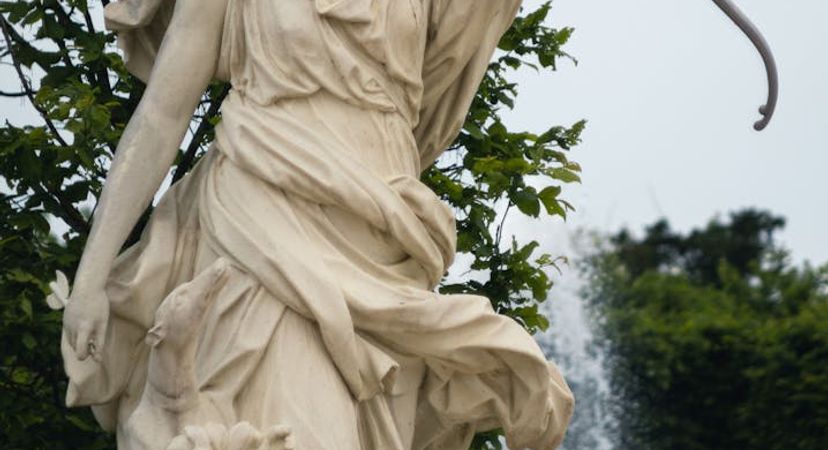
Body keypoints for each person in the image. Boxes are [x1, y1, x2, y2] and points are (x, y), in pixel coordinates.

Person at [59, 0, 573, 448]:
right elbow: (163, 112)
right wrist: (90, 277)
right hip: (265, 233)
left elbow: (438, 98)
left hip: (386, 238)